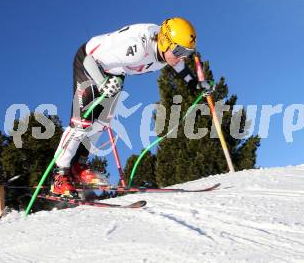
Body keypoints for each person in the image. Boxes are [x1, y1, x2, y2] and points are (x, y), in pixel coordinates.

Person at [51, 17, 214, 197]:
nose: (182, 57)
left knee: (102, 123)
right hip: (90, 66)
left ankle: (78, 167)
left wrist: (195, 85)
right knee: (82, 123)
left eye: (187, 52)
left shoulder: (168, 52)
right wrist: (102, 82)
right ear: (165, 41)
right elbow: (89, 61)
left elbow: (180, 65)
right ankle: (59, 175)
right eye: (179, 51)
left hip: (115, 74)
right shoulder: (136, 48)